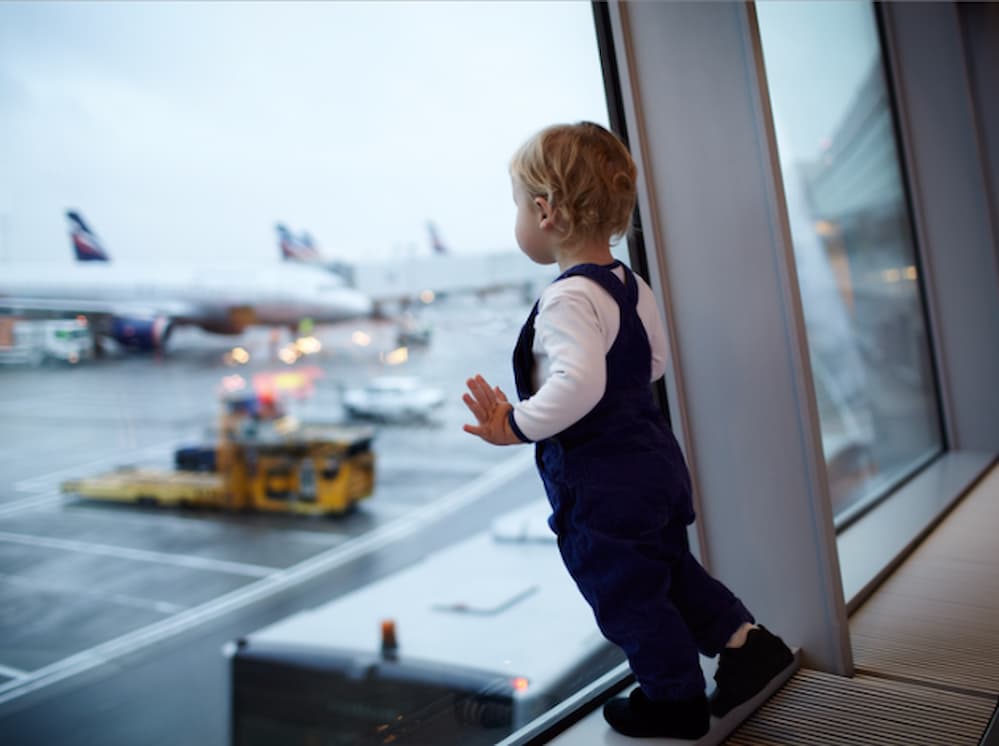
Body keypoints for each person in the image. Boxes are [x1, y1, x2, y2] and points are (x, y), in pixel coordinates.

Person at [462, 122, 793, 739]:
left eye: (516, 205)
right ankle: (748, 646)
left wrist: (517, 422)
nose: (517, 218)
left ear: (545, 211)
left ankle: (674, 700)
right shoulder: (627, 284)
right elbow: (654, 363)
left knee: (626, 592)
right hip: (654, 462)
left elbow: (580, 385)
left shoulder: (566, 299)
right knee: (668, 568)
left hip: (605, 482)